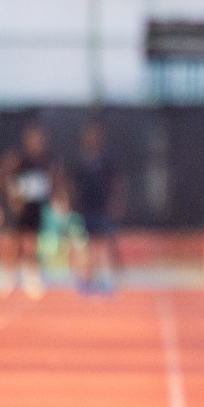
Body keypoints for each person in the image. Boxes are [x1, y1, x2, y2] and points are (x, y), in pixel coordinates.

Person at [1, 125, 65, 299]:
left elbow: (55, 181)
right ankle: (9, 277)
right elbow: (8, 177)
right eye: (32, 139)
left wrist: (57, 199)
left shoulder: (47, 161)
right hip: (20, 208)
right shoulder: (20, 160)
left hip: (36, 208)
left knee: (32, 243)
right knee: (14, 243)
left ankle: (32, 278)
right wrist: (13, 196)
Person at [71, 121, 125, 293]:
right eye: (89, 136)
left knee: (104, 244)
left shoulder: (107, 161)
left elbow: (117, 184)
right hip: (85, 209)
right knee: (86, 246)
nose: (91, 139)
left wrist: (116, 203)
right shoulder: (80, 162)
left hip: (102, 208)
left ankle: (107, 280)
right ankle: (88, 280)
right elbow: (73, 186)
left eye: (95, 136)